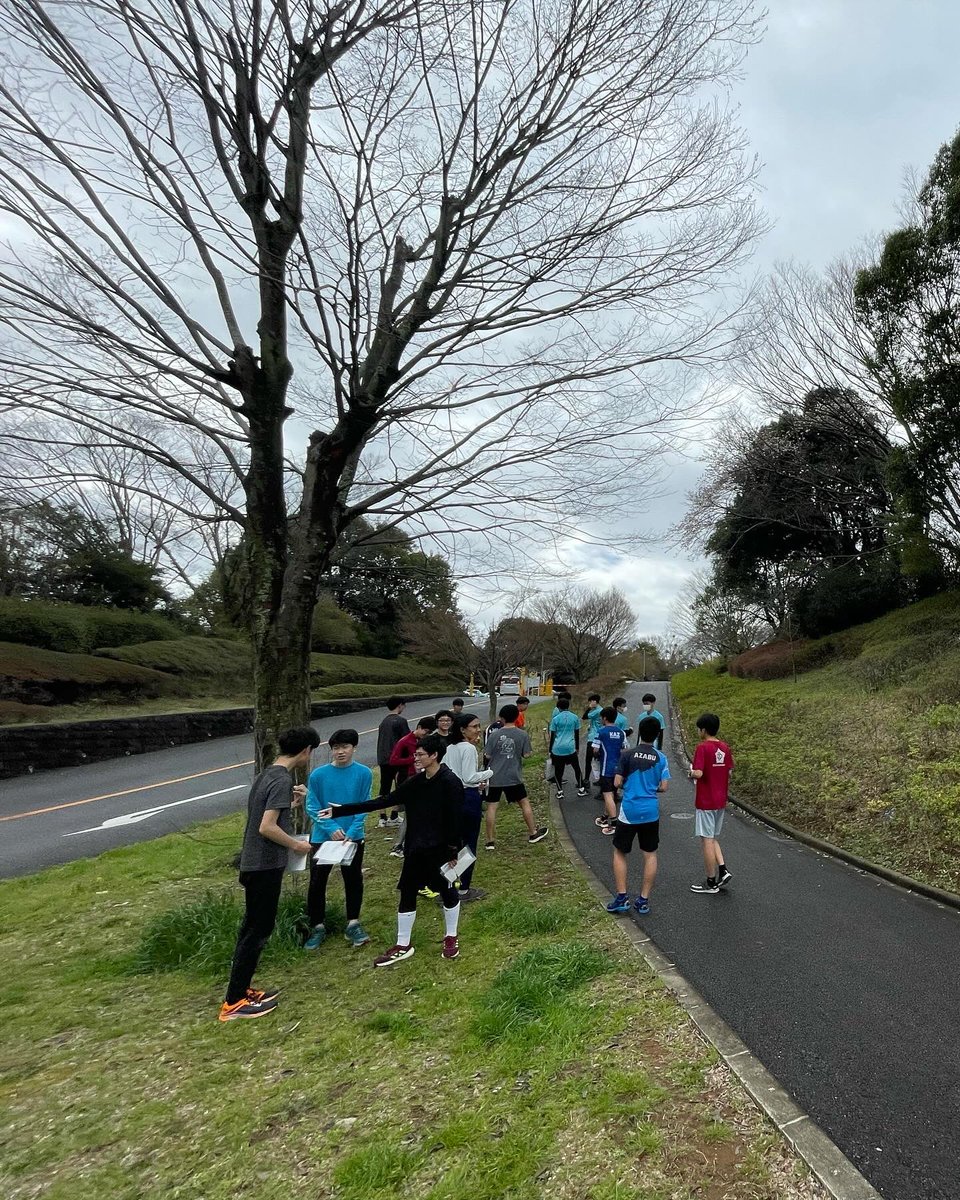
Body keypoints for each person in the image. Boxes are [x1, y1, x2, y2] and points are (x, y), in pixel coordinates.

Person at [325, 734, 466, 965]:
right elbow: (385, 800)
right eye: (415, 754)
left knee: (447, 891)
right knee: (407, 891)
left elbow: (455, 820)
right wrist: (342, 810)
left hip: (441, 850)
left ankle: (451, 936)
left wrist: (453, 851)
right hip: (415, 848)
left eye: (420, 754)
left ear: (434, 755)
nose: (415, 758)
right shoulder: (416, 782)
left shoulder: (450, 782)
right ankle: (403, 944)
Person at [219, 726, 318, 1022]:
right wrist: (297, 845)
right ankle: (233, 1003)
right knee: (257, 931)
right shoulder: (281, 779)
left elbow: (266, 813)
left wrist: (290, 805)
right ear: (305, 752)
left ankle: (241, 989)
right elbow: (266, 827)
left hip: (254, 863)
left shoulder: (266, 774)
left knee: (251, 928)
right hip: (264, 866)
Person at [303, 729, 372, 951]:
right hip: (323, 837)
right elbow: (312, 805)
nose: (340, 752)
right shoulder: (318, 775)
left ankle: (353, 922)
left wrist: (353, 830)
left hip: (352, 837)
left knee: (352, 879)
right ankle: (317, 926)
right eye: (336, 748)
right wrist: (331, 827)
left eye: (345, 747)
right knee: (317, 882)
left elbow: (364, 804)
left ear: (354, 748)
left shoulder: (363, 773)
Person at [606, 716, 670, 916]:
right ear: (657, 733)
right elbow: (664, 787)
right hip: (650, 810)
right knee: (649, 854)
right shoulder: (661, 757)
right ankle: (643, 900)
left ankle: (622, 897)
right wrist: (650, 787)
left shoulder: (627, 755)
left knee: (620, 851)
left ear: (640, 732)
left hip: (629, 810)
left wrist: (628, 783)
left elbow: (616, 782)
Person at [445, 712, 494, 901]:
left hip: (451, 798)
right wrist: (488, 773)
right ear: (463, 730)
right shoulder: (468, 748)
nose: (478, 730)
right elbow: (469, 777)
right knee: (469, 843)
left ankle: (448, 884)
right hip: (468, 797)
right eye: (474, 727)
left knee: (453, 843)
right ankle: (463, 888)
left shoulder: (449, 748)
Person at [483, 703, 547, 849]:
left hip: (494, 775)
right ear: (517, 716)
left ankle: (489, 841)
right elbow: (527, 754)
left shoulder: (494, 735)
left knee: (492, 807)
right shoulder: (522, 734)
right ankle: (533, 832)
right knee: (524, 802)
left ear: (502, 718)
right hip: (514, 775)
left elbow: (487, 754)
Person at [688, 712, 734, 894]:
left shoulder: (702, 748)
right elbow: (729, 771)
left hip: (706, 800)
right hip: (720, 799)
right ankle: (722, 870)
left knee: (706, 840)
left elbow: (698, 773)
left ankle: (710, 882)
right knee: (712, 837)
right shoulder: (725, 747)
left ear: (704, 730)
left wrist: (691, 771)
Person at [387, 716, 438, 859]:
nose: (426, 735)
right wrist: (415, 759)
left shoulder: (421, 742)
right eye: (425, 732)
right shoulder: (404, 741)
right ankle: (398, 845)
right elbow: (393, 760)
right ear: (419, 727)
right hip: (406, 779)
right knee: (409, 814)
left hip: (420, 778)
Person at [591, 707, 628, 835]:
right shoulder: (621, 732)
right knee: (613, 793)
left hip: (606, 768)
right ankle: (604, 817)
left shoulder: (601, 732)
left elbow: (595, 749)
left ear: (605, 718)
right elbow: (624, 750)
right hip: (618, 769)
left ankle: (613, 823)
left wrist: (598, 755)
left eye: (601, 717)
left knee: (607, 795)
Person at [376, 697, 409, 827]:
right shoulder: (401, 721)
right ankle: (394, 816)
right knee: (399, 787)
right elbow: (406, 741)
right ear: (400, 705)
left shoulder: (383, 722)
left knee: (384, 787)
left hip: (383, 758)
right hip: (397, 758)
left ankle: (382, 817)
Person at [549, 695, 587, 799]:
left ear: (559, 707)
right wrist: (577, 747)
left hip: (557, 748)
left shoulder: (556, 719)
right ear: (568, 706)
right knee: (576, 768)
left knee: (558, 770)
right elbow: (576, 734)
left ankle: (560, 791)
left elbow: (553, 735)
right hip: (570, 747)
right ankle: (581, 789)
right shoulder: (574, 717)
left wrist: (550, 750)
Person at [582, 693, 603, 786]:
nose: (590, 703)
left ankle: (586, 779)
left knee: (590, 759)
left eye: (591, 701)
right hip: (595, 736)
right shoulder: (598, 710)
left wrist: (589, 708)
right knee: (598, 760)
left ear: (595, 701)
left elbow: (584, 716)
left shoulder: (597, 710)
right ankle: (599, 779)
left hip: (594, 738)